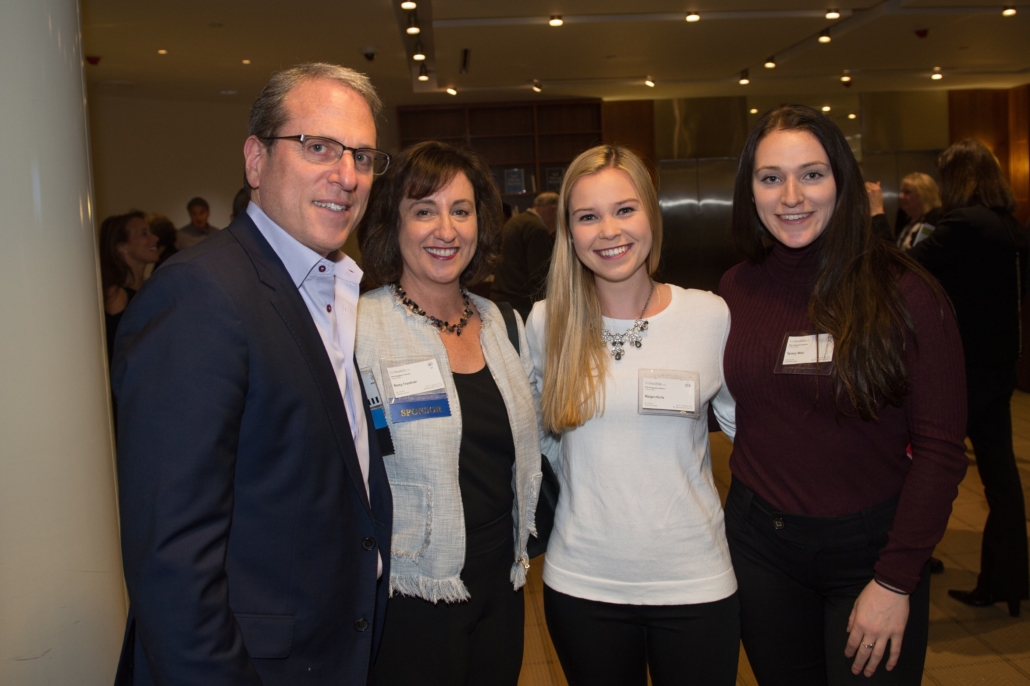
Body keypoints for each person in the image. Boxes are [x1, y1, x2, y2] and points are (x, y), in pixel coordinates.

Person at [112, 63, 393, 685]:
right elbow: (173, 560)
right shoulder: (199, 297)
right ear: (256, 160)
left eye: (364, 156)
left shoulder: (338, 288)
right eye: (317, 146)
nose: (346, 175)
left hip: (329, 650)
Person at [720, 105, 968, 685]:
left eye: (812, 173)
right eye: (770, 177)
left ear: (844, 183)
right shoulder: (737, 288)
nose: (791, 196)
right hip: (760, 550)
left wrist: (895, 580)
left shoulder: (906, 292)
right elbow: (726, 400)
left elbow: (941, 451)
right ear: (750, 191)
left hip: (871, 555)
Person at [527, 145, 740, 686]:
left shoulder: (709, 316)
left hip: (695, 581)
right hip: (583, 584)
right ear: (569, 234)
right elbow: (543, 438)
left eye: (624, 209)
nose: (608, 230)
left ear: (651, 214)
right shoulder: (547, 324)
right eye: (587, 216)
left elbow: (751, 434)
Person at [356, 140, 542, 686]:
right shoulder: (360, 330)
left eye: (460, 211)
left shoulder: (503, 324)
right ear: (393, 225)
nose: (446, 230)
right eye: (423, 211)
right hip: (411, 586)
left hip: (501, 582)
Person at [909, 139, 1029, 618]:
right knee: (1002, 481)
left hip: (958, 373)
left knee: (921, 467)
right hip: (1001, 369)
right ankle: (1009, 580)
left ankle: (909, 563)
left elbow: (906, 270)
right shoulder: (1012, 228)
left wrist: (877, 221)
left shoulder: (960, 226)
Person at [98, 210, 158, 364]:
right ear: (122, 247)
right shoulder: (116, 295)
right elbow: (119, 354)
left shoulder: (148, 288)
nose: (155, 239)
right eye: (144, 234)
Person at [489, 191, 559, 320]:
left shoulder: (516, 221)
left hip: (500, 300)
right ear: (554, 209)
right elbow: (539, 276)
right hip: (521, 306)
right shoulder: (536, 229)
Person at [868, 173, 943, 249]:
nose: (901, 196)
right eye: (901, 191)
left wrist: (877, 210)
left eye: (907, 192)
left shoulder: (935, 219)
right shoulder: (906, 218)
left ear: (924, 195)